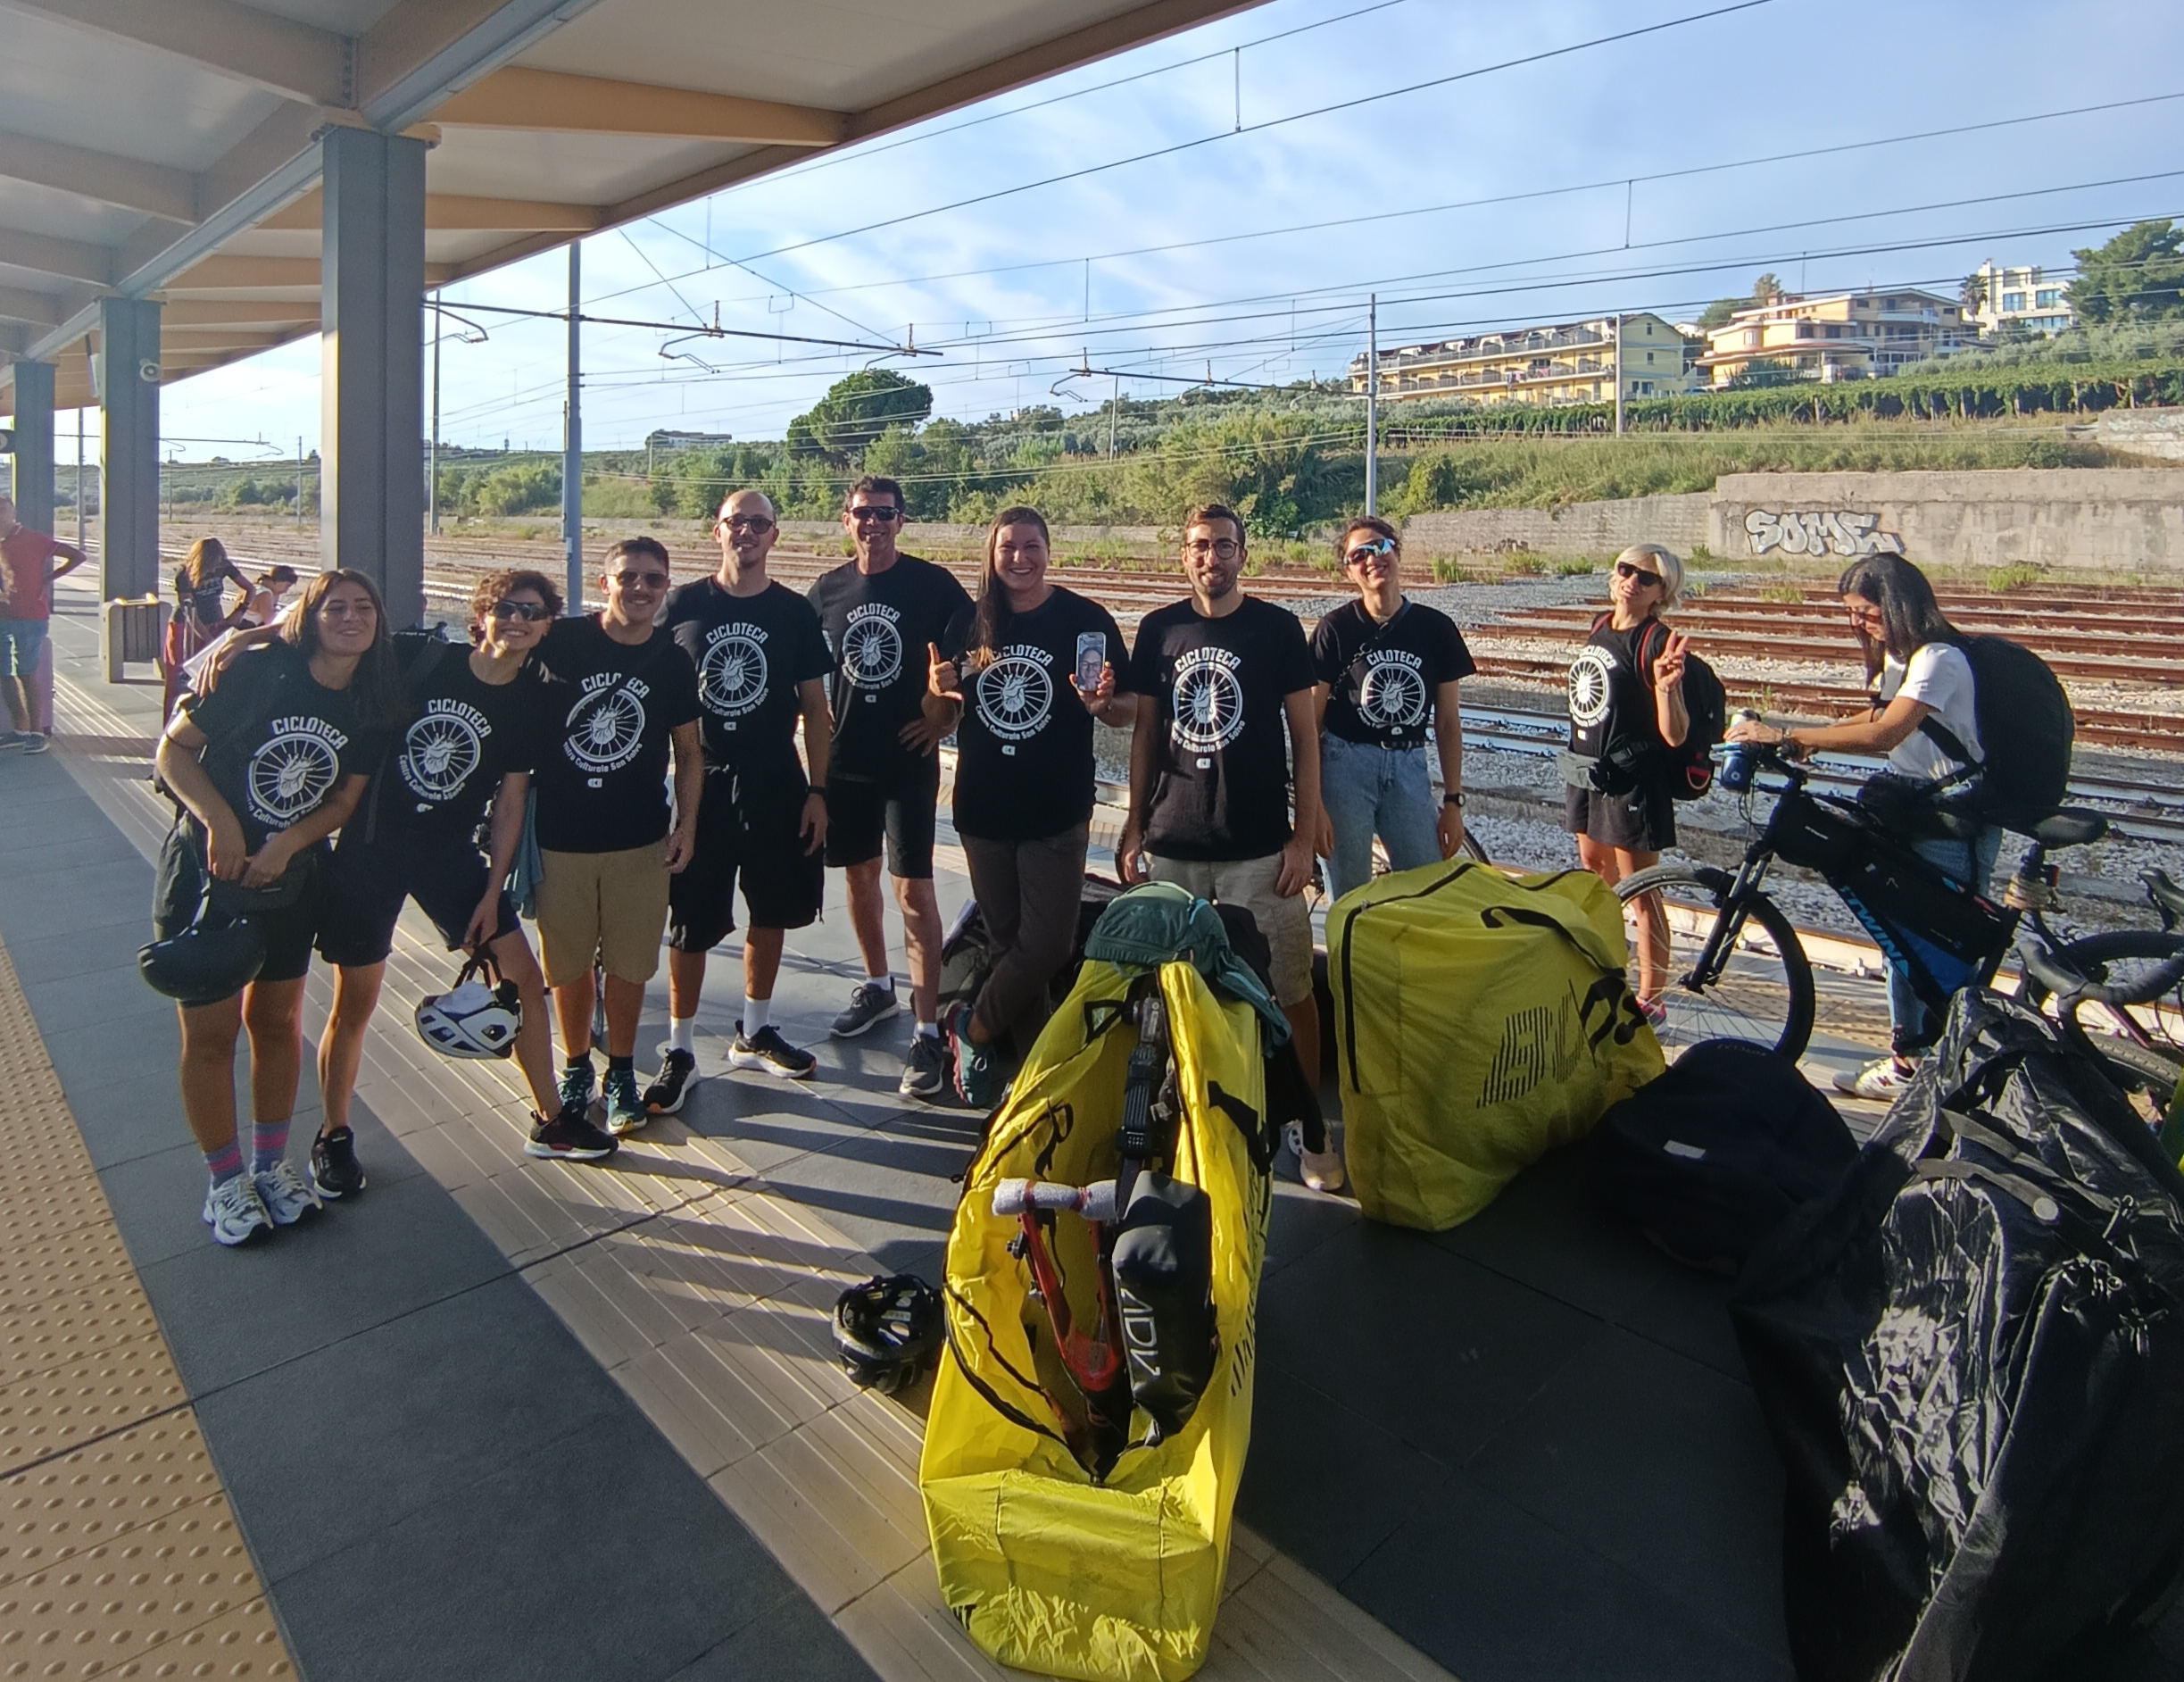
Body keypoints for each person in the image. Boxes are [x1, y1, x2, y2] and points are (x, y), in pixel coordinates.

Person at [311, 567, 618, 1185]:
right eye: (506, 608)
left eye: (532, 613)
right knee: (355, 1001)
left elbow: (510, 802)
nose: (517, 621)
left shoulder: (530, 701)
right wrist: (242, 639)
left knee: (524, 978)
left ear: (546, 627)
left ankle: (550, 1118)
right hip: (372, 848)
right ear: (482, 615)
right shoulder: (421, 659)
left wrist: (492, 890)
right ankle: (334, 1134)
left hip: (448, 856)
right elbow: (320, 642)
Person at [153, 570, 398, 1245]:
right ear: (309, 618)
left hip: (289, 879)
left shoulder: (372, 698)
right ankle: (224, 1181)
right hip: (208, 873)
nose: (351, 618)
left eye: (364, 608)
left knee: (277, 1022)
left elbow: (343, 800)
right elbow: (174, 751)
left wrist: (286, 845)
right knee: (211, 1034)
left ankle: (269, 1167)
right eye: (335, 608)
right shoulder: (260, 674)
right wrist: (222, 825)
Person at [1728, 552, 1998, 1100]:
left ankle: (1969, 1068)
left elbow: (1886, 733)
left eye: (1866, 611)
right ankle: (1913, 1062)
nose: (1858, 622)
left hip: (1953, 823)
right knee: (1901, 940)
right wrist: (1802, 735)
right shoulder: (1905, 659)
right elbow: (1877, 715)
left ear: (1897, 604)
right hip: (1914, 810)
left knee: (1942, 951)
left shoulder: (1939, 658)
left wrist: (1792, 737)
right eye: (1851, 612)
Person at [1117, 504, 1331, 1185]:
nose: (1211, 557)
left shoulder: (1276, 628)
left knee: (1288, 988)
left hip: (1259, 846)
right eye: (1199, 546)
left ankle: (1308, 1125)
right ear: (1184, 556)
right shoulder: (1158, 629)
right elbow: (1145, 735)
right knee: (1173, 987)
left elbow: (1305, 738)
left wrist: (1302, 838)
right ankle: (1182, 1109)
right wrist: (1133, 825)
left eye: (1223, 545)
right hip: (1174, 842)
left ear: (1243, 553)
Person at [928, 506, 1132, 1106]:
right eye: (1007, 548)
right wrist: (936, 692)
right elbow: (940, 720)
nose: (1019, 558)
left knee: (1047, 945)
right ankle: (1036, 1081)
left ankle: (972, 1027)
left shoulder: (1084, 619)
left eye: (1030, 546)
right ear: (991, 555)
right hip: (984, 808)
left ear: (1049, 550)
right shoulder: (968, 623)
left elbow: (1129, 711)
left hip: (1056, 809)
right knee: (1007, 945)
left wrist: (1103, 704)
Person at [652, 490, 835, 1105]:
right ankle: (680, 1048)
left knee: (772, 907)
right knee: (691, 918)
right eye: (736, 522)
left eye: (759, 523)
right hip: (701, 779)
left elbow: (815, 709)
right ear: (718, 531)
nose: (747, 532)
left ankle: (754, 1031)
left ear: (774, 535)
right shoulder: (682, 604)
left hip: (776, 779)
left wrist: (818, 791)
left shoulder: (792, 611)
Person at [530, 537, 703, 1136]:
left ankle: (622, 1073)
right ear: (604, 584)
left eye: (653, 579)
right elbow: (493, 656)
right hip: (560, 838)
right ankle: (577, 1067)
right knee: (568, 965)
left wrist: (686, 825)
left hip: (640, 840)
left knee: (630, 966)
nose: (640, 588)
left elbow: (689, 751)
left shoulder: (672, 660)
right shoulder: (561, 640)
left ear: (666, 588)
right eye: (627, 576)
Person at [807, 475, 972, 1101]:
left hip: (907, 762)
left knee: (914, 891)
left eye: (884, 513)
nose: (872, 523)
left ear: (901, 521)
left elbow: (971, 654)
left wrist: (940, 719)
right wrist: (809, 727)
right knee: (857, 878)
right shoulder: (826, 590)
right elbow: (803, 672)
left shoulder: (933, 585)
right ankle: (878, 985)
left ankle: (927, 1030)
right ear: (845, 519)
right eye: (863, 513)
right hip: (846, 761)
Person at [1311, 514, 1474, 901]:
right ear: (1349, 571)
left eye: (1380, 547)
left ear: (1397, 553)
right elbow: (1309, 721)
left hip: (1408, 766)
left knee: (1428, 889)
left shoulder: (1436, 629)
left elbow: (1447, 723)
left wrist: (1453, 801)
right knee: (1350, 896)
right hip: (1344, 766)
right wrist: (1313, 804)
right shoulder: (1335, 629)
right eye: (1358, 555)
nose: (1372, 559)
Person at [1563, 543, 1691, 1027]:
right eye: (1626, 569)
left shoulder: (1658, 641)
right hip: (1589, 771)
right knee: (1595, 871)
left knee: (1642, 889)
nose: (1631, 581)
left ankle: (1651, 997)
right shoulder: (1600, 624)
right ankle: (1606, 971)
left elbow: (1674, 735)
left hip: (1633, 780)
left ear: (1662, 593)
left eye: (1646, 577)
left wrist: (1667, 689)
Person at [0, 492, 87, 751]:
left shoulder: (34, 540)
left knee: (26, 673)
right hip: (3, 615)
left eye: (3, 511)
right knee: (4, 674)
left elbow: (77, 556)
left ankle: (37, 732)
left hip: (30, 617)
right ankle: (20, 728)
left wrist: (47, 580)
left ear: (14, 514)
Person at [162, 537, 251, 721]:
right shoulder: (184, 574)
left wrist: (240, 611)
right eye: (214, 562)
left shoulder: (224, 566)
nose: (216, 568)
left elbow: (249, 588)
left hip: (215, 622)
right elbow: (189, 612)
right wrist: (209, 640)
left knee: (210, 675)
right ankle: (171, 723)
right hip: (186, 628)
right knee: (179, 678)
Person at [181, 566, 301, 691]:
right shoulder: (265, 595)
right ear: (278, 580)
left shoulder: (255, 587)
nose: (285, 591)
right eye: (286, 586)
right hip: (245, 641)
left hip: (234, 633)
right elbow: (271, 622)